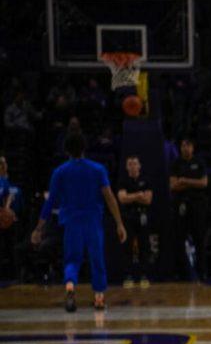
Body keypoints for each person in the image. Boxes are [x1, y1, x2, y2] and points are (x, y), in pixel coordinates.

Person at [29, 132, 127, 312]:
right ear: (84, 148)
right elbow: (110, 197)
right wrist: (119, 223)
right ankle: (99, 298)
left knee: (72, 260)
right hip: (93, 222)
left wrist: (38, 228)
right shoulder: (98, 169)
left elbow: (49, 203)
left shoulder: (60, 172)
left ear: (66, 150)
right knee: (97, 260)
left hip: (72, 223)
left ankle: (70, 288)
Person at [170, 137, 210, 280]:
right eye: (183, 145)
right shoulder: (176, 164)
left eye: (188, 145)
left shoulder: (199, 162)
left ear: (192, 147)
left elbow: (204, 183)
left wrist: (185, 181)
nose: (185, 148)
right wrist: (194, 183)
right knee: (179, 239)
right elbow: (173, 185)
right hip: (180, 204)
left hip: (197, 204)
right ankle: (183, 273)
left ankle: (202, 272)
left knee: (199, 239)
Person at [116, 155, 153, 288]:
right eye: (130, 164)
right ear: (126, 167)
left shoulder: (146, 180)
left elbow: (148, 200)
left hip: (142, 217)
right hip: (127, 217)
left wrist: (130, 196)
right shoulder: (123, 181)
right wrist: (138, 195)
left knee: (144, 246)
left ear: (139, 166)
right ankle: (128, 276)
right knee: (128, 247)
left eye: (134, 163)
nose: (132, 166)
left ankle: (144, 276)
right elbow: (122, 198)